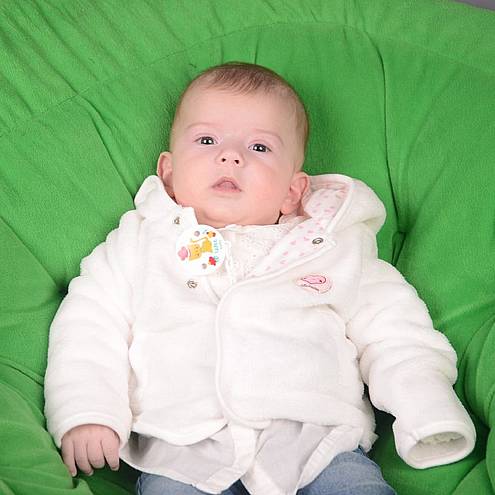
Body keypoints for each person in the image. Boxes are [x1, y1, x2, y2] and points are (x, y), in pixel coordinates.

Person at [44, 62, 476, 495]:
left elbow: (393, 328)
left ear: (292, 191)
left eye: (259, 147)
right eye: (207, 140)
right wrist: (88, 411)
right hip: (183, 450)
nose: (231, 156)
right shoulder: (139, 242)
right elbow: (90, 324)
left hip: (317, 444)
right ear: (169, 173)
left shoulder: (332, 245)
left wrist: (425, 404)